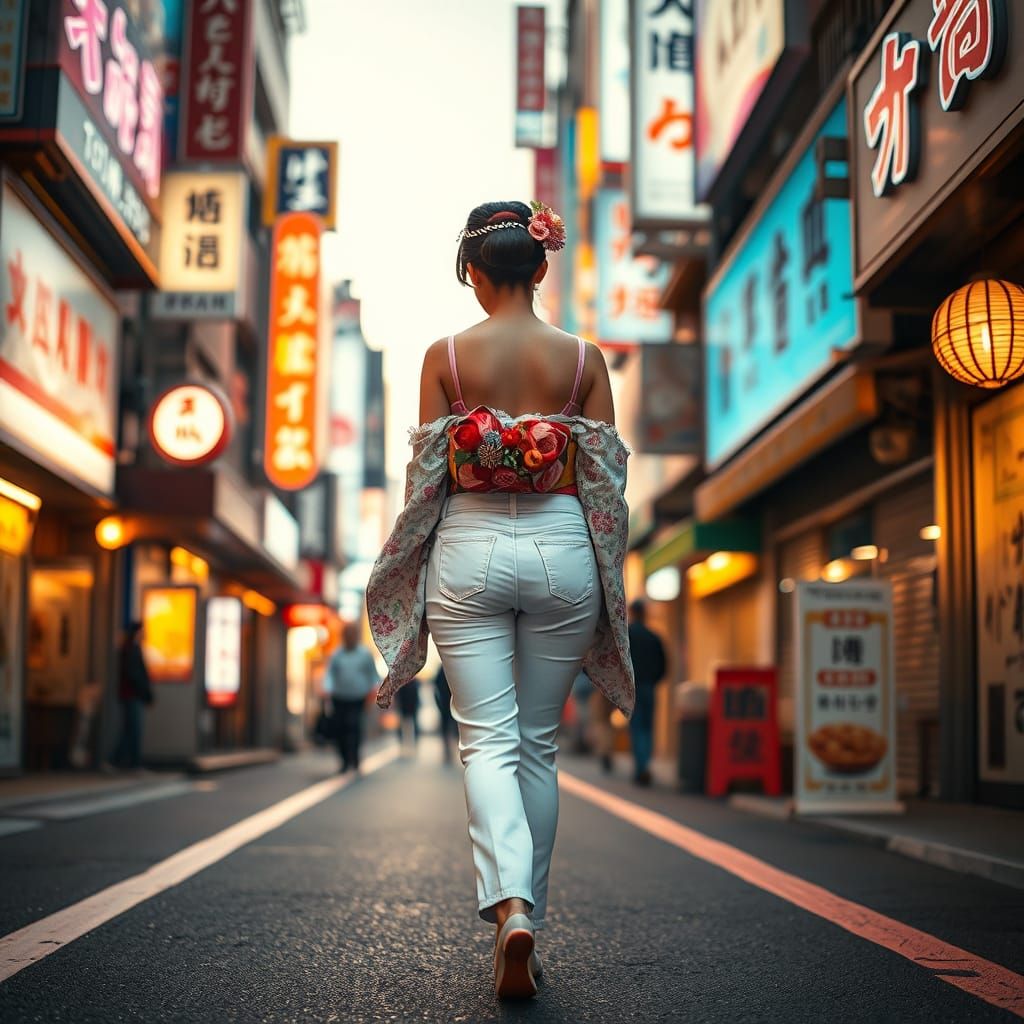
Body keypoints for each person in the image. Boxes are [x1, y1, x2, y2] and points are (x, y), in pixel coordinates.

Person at [366, 200, 635, 1000]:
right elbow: (607, 487)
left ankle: (509, 907)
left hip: (469, 549)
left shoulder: (445, 354)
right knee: (537, 747)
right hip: (561, 551)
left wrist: (399, 568)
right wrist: (607, 585)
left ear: (476, 276)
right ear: (542, 267)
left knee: (486, 742)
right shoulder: (584, 359)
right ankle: (527, 922)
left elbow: (424, 482)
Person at [324, 621, 379, 774]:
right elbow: (329, 675)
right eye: (347, 635)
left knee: (354, 727)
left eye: (352, 634)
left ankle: (354, 759)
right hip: (339, 697)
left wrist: (374, 690)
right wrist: (327, 689)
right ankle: (344, 761)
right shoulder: (336, 654)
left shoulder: (365, 654)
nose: (350, 638)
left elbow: (373, 676)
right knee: (340, 729)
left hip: (358, 698)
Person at [627, 599, 668, 787]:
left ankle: (640, 766)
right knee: (648, 727)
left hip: (632, 687)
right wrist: (654, 680)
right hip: (649, 686)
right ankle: (645, 764)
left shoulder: (627, 635)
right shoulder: (654, 636)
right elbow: (664, 665)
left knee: (636, 726)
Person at [110, 622, 153, 771]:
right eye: (142, 632)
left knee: (129, 729)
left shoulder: (130, 648)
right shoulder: (131, 649)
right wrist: (144, 692)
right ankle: (129, 762)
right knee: (133, 730)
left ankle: (118, 761)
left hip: (131, 695)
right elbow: (135, 674)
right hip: (132, 695)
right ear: (137, 633)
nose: (144, 635)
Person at [433, 664, 457, 764]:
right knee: (455, 727)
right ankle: (455, 749)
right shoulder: (454, 668)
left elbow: (435, 689)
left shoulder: (440, 670)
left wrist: (439, 704)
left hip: (444, 704)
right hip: (454, 704)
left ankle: (448, 751)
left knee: (446, 728)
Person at [396, 674, 421, 748]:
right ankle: (402, 741)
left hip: (410, 706)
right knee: (402, 723)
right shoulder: (404, 683)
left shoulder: (404, 683)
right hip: (405, 706)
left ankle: (413, 741)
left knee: (413, 723)